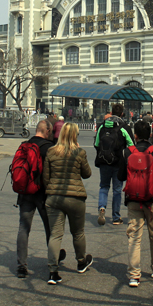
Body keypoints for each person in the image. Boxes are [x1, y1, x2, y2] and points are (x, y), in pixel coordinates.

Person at [118, 120, 153, 287]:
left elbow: (121, 176)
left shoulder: (127, 152)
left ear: (135, 135)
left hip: (133, 200)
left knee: (134, 236)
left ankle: (134, 275)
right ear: (149, 134)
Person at [42, 122, 93, 285]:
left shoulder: (51, 151)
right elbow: (87, 174)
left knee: (55, 234)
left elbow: (46, 177)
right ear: (75, 136)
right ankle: (81, 262)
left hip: (54, 197)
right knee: (78, 232)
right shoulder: (79, 152)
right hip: (75, 197)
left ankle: (53, 271)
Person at [16, 119, 66, 278]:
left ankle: (22, 266)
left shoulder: (24, 145)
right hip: (43, 193)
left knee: (24, 228)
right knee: (50, 228)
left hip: (25, 192)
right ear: (47, 131)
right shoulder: (49, 148)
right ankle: (53, 259)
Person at [94, 104, 134, 226]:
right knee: (117, 190)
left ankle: (102, 207)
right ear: (122, 113)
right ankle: (116, 217)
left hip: (104, 162)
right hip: (118, 163)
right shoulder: (124, 128)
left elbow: (96, 144)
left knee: (104, 186)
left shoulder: (102, 126)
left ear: (111, 113)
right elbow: (132, 146)